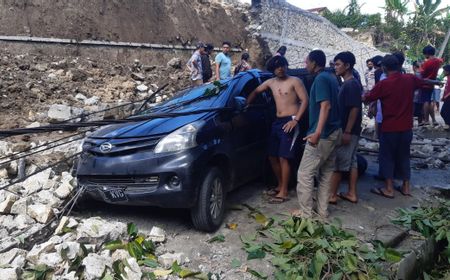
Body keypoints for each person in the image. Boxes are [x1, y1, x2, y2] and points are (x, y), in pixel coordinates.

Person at [363, 55, 442, 198]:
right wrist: (437, 81)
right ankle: (406, 187)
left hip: (389, 127)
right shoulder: (409, 79)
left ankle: (389, 188)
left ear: (384, 68)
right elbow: (424, 82)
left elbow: (367, 98)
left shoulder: (384, 84)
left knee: (387, 157)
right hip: (406, 128)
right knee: (404, 156)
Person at [246, 56, 308, 203]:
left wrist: (296, 120)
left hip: (290, 121)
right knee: (272, 155)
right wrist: (246, 104)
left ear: (286, 66)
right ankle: (280, 184)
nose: (280, 68)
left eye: (282, 65)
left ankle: (284, 191)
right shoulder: (270, 83)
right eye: (277, 66)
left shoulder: (295, 81)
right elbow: (255, 92)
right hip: (277, 122)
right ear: (272, 69)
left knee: (283, 157)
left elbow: (305, 100)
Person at [292, 50, 341, 219]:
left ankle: (306, 214)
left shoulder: (320, 79)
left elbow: (325, 106)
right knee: (326, 173)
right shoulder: (332, 77)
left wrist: (317, 133)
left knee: (305, 174)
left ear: (314, 63)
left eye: (307, 62)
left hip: (323, 135)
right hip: (335, 132)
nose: (306, 66)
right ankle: (322, 212)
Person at [329, 52, 362, 205]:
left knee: (338, 162)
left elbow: (355, 108)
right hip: (351, 130)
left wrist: (347, 131)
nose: (335, 67)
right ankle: (351, 193)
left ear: (347, 66)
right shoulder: (347, 83)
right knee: (352, 161)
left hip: (348, 130)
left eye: (338, 64)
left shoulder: (351, 84)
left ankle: (332, 195)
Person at [420, 45, 443, 126]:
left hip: (425, 84)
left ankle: (426, 120)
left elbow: (422, 75)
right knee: (431, 102)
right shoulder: (438, 61)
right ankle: (433, 120)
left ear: (426, 53)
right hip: (432, 84)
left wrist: (420, 66)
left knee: (425, 102)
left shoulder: (426, 63)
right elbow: (440, 60)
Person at [413, 61, 424, 126]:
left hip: (415, 96)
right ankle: (420, 124)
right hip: (421, 95)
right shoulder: (422, 74)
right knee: (420, 112)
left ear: (414, 67)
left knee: (412, 112)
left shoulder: (416, 75)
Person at [441, 65, 450, 129]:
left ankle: (448, 124)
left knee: (443, 112)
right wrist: (443, 96)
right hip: (447, 98)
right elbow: (446, 89)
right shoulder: (448, 78)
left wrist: (446, 96)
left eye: (444, 71)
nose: (443, 72)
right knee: (445, 112)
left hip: (448, 98)